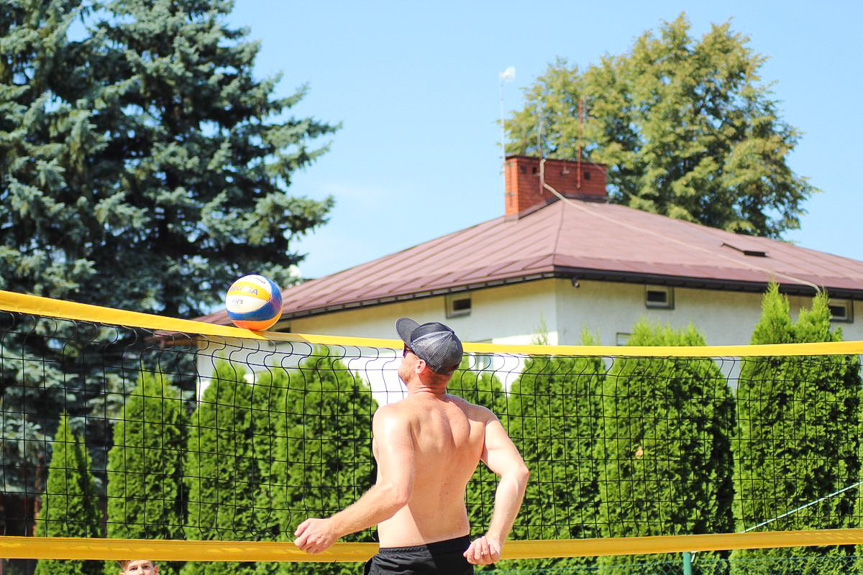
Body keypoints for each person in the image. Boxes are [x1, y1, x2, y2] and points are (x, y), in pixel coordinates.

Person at [294, 317, 529, 573]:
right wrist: (495, 538)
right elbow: (517, 472)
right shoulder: (479, 418)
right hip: (457, 560)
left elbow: (396, 492)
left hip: (402, 565)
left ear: (418, 364)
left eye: (406, 349)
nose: (402, 353)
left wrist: (331, 527)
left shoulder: (394, 416)